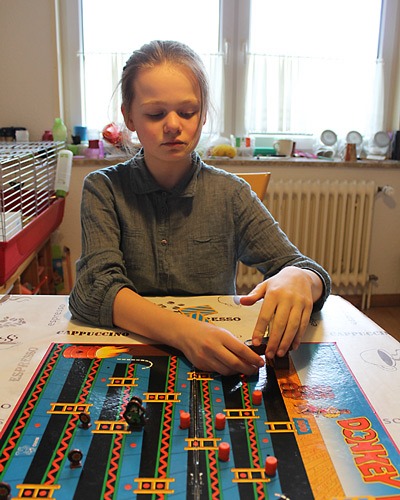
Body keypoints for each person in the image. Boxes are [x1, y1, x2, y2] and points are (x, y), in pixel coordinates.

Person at [69, 40, 331, 376]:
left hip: (216, 361)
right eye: (155, 114)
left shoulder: (231, 194)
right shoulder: (103, 188)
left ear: (203, 113)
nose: (173, 125)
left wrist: (299, 277)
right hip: (131, 355)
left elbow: (303, 268)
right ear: (129, 117)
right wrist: (186, 334)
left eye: (187, 112)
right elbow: (94, 289)